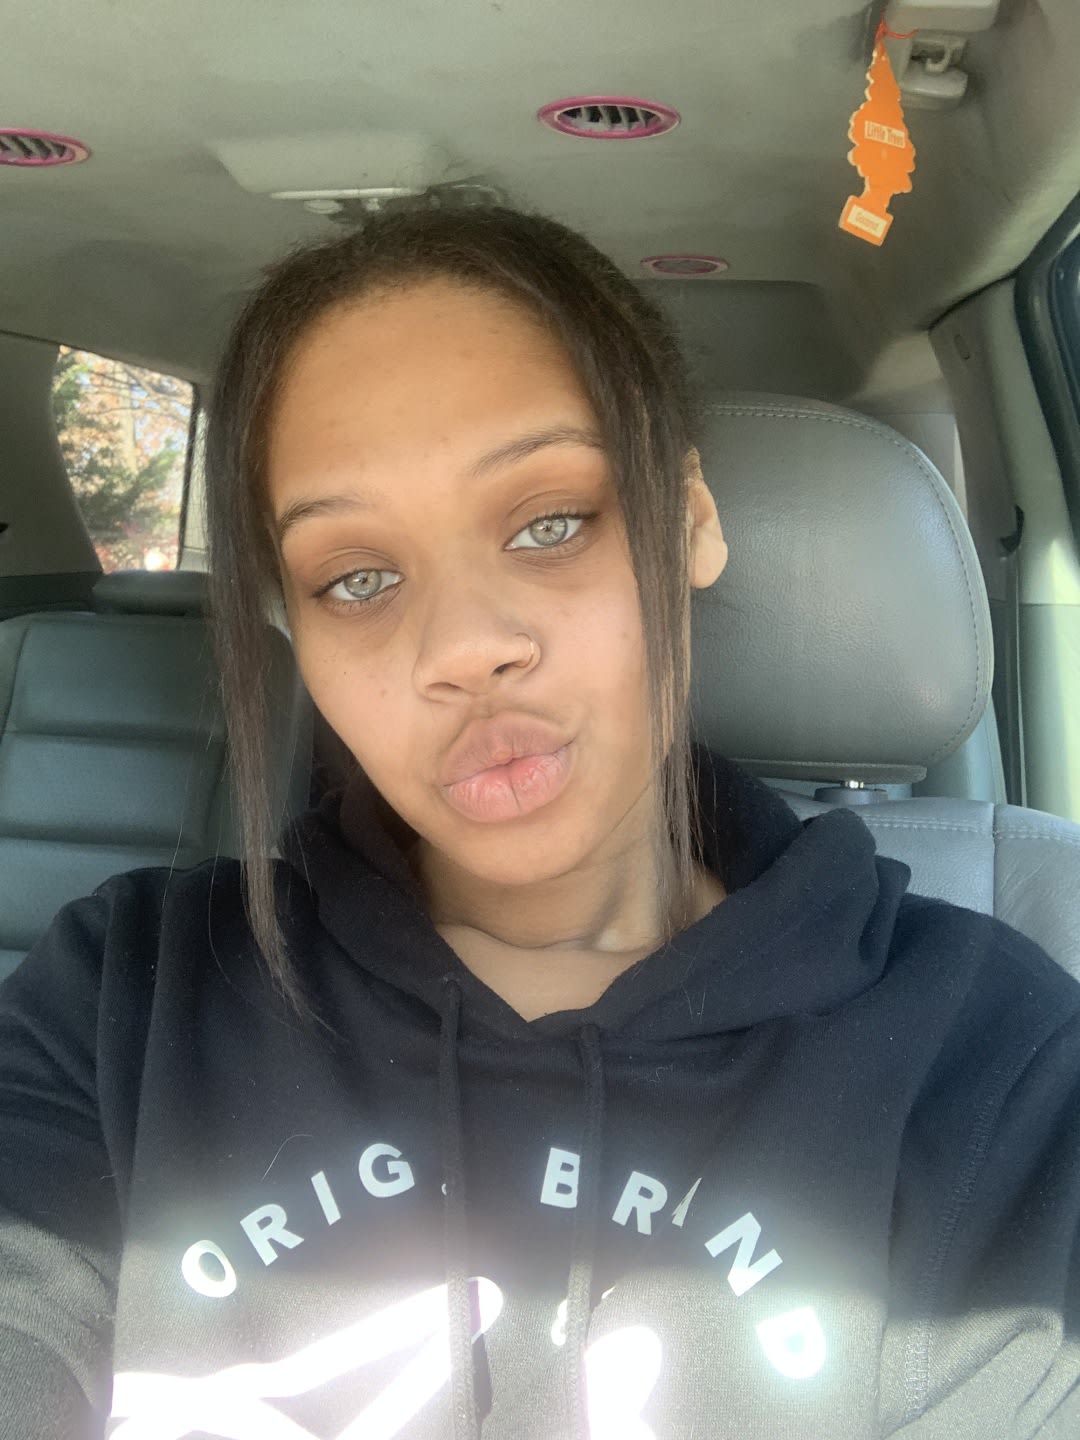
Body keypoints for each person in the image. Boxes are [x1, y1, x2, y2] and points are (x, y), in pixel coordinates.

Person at [1, 204, 1079, 1440]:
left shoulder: (993, 1067)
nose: (465, 648)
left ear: (690, 519)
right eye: (357, 578)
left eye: (550, 522)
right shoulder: (122, 1001)